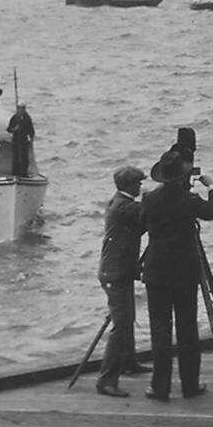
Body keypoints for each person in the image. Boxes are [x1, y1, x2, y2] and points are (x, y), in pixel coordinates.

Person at [139, 147, 213, 402]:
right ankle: (190, 385)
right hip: (185, 271)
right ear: (182, 176)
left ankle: (160, 387)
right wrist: (212, 186)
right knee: (188, 330)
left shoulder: (150, 199)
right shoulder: (188, 200)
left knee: (160, 330)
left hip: (156, 271)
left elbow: (141, 224)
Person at [94, 165, 147, 398]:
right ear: (129, 185)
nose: (140, 187)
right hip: (116, 273)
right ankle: (106, 379)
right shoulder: (124, 207)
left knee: (127, 318)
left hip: (118, 270)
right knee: (121, 324)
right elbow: (146, 215)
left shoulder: (119, 202)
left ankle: (128, 362)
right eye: (138, 183)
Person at [7, 103, 36, 177]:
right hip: (16, 140)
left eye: (23, 108)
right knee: (15, 157)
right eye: (20, 108)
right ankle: (15, 173)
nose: (21, 110)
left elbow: (31, 130)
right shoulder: (14, 118)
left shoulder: (27, 118)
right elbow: (9, 129)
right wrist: (14, 129)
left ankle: (24, 173)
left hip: (24, 140)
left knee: (24, 158)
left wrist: (31, 139)